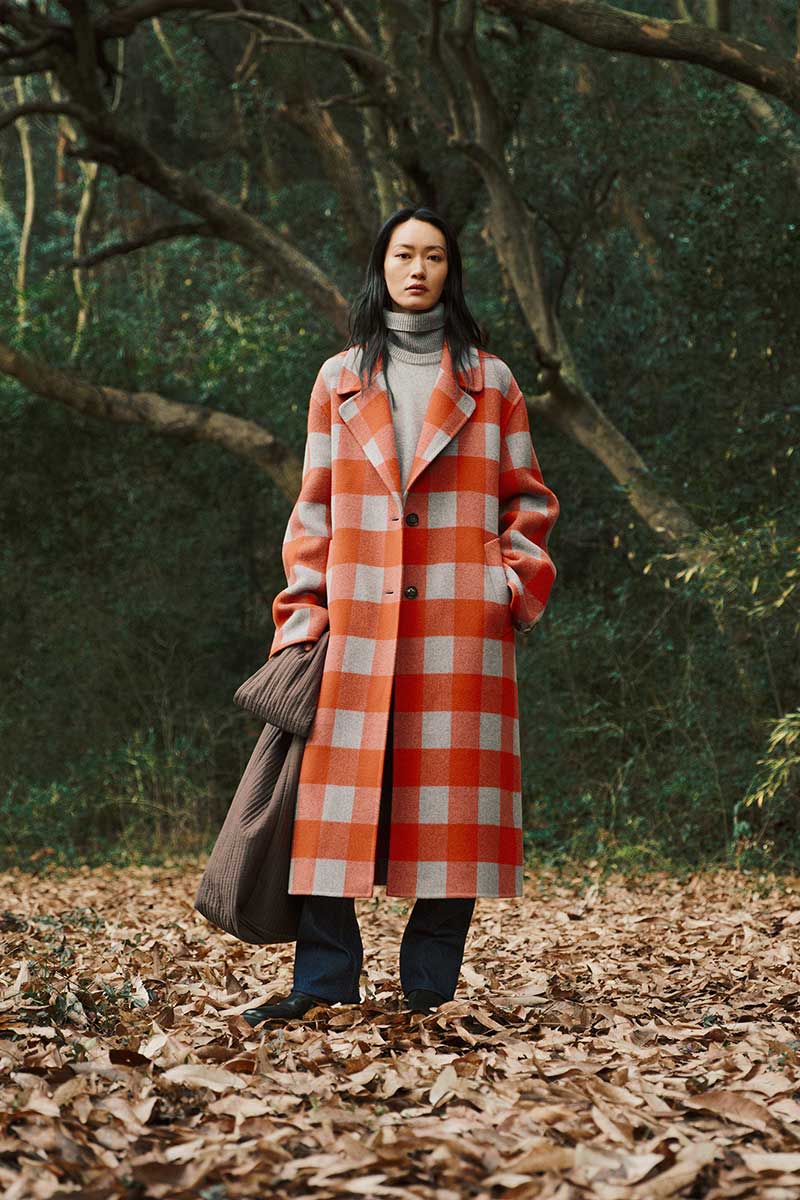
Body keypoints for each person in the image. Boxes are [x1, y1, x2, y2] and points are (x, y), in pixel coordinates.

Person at [243, 206, 559, 1026]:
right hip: (351, 627)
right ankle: (322, 986)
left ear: (452, 273)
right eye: (403, 254)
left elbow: (528, 502)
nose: (417, 269)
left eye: (435, 257)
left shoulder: (492, 382)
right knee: (324, 816)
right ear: (380, 267)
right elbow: (313, 512)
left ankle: (430, 990)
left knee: (452, 822)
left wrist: (507, 585)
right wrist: (302, 616)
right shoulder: (337, 378)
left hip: (464, 631)